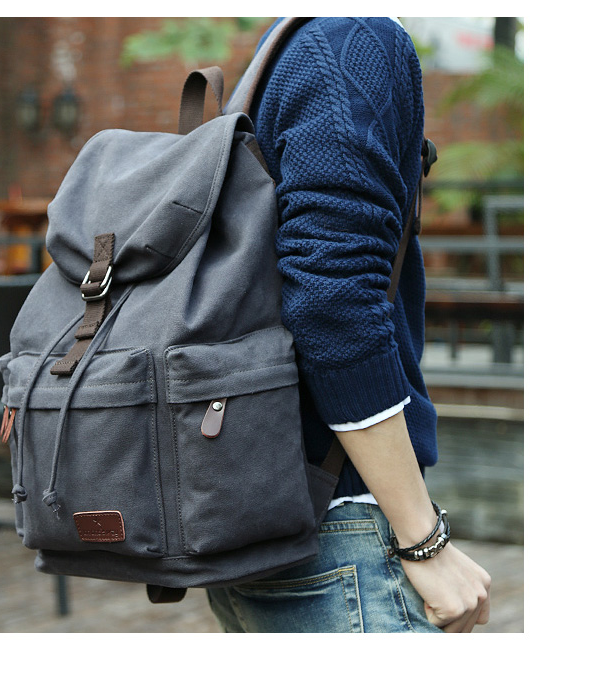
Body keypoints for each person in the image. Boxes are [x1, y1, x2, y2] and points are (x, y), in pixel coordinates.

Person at [206, 17, 491, 633]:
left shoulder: (290, 45)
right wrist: (425, 541)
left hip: (262, 507)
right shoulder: (352, 39)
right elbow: (332, 303)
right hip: (338, 524)